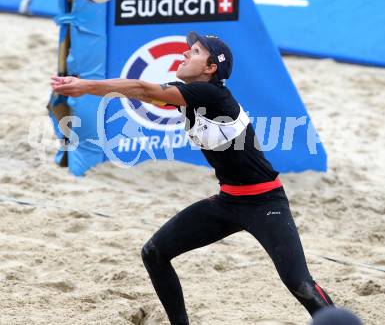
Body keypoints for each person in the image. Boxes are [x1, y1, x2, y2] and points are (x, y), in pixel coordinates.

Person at [51, 32, 334, 324]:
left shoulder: (211, 94)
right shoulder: (188, 95)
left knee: (300, 284)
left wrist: (86, 86)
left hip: (265, 203)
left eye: (195, 51)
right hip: (229, 201)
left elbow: (141, 87)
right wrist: (91, 88)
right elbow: (140, 92)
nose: (185, 53)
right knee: (154, 253)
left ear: (210, 68)